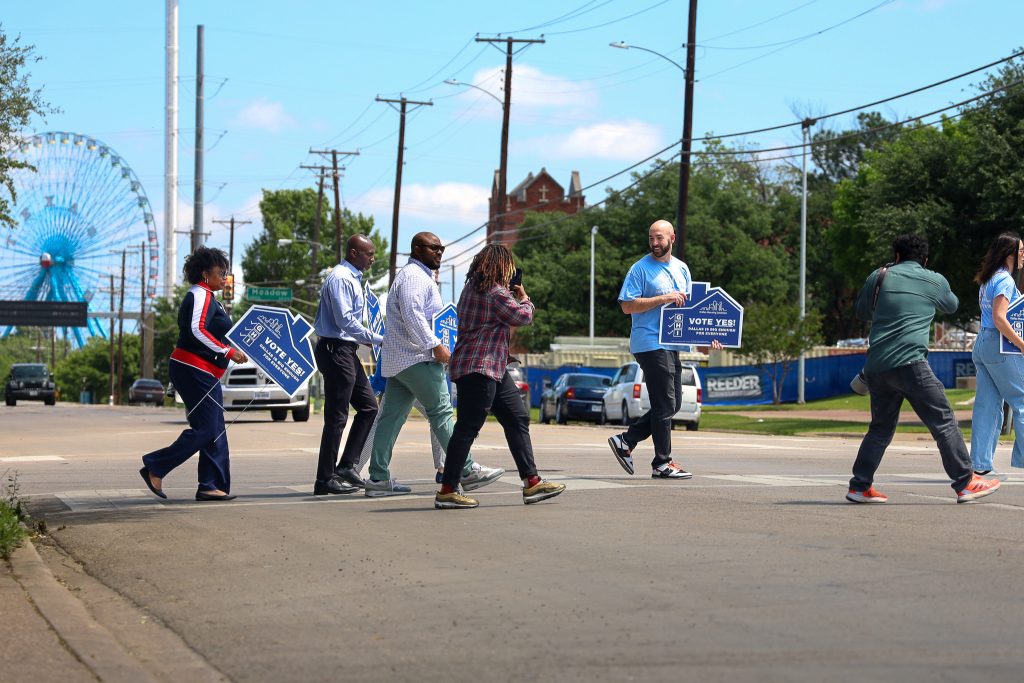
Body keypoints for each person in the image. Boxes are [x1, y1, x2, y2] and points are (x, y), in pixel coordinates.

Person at [846, 233, 1000, 504]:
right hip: (911, 363)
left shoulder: (878, 276)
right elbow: (951, 306)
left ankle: (860, 486)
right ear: (925, 259)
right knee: (944, 421)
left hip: (877, 367)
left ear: (896, 256)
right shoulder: (934, 280)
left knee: (880, 429)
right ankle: (965, 482)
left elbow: (861, 311)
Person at [361, 232, 505, 497]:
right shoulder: (414, 277)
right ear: (417, 249)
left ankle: (378, 479)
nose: (440, 252)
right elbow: (413, 314)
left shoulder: (416, 276)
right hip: (418, 357)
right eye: (433, 248)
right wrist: (434, 345)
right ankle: (467, 469)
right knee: (441, 413)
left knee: (391, 418)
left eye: (442, 247)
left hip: (400, 360)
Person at [437, 244, 566, 509]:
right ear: (501, 266)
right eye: (508, 267)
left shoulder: (471, 287)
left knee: (517, 417)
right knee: (467, 428)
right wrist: (524, 296)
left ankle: (532, 482)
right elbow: (522, 316)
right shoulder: (495, 293)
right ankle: (447, 490)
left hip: (491, 367)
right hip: (480, 368)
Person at [606, 219, 720, 480]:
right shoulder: (640, 269)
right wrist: (664, 298)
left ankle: (627, 440)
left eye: (659, 238)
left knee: (673, 402)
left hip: (673, 343)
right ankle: (662, 462)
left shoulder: (682, 269)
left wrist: (708, 336)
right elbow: (626, 306)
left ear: (672, 238)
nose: (655, 243)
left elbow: (692, 311)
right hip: (649, 342)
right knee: (666, 402)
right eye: (651, 238)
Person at [140, 246, 248, 501]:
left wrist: (229, 349)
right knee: (207, 428)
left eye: (226, 272)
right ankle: (156, 466)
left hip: (204, 372)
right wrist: (227, 352)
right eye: (220, 272)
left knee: (215, 429)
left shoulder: (211, 297)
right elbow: (196, 330)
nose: (225, 277)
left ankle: (211, 485)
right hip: (193, 369)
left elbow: (209, 333)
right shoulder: (200, 294)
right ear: (204, 273)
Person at [312, 234, 383, 496]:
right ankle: (324, 479)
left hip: (345, 350)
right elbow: (346, 322)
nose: (373, 258)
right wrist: (378, 340)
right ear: (354, 253)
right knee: (336, 417)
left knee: (368, 407)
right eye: (369, 254)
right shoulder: (341, 278)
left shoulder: (352, 278)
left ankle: (346, 466)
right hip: (335, 349)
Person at [970, 232, 1024, 479]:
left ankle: (980, 464)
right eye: (1021, 250)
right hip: (1000, 345)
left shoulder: (988, 278)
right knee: (1021, 401)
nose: (1023, 255)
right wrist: (1022, 344)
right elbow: (1000, 317)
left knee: (987, 405)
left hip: (983, 343)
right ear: (1009, 254)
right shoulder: (1005, 281)